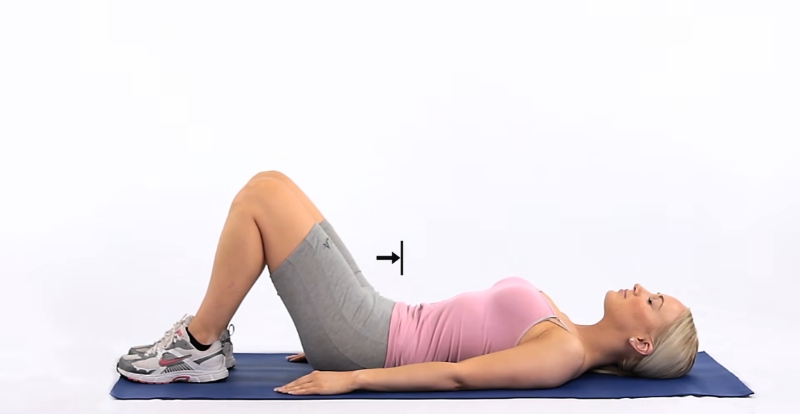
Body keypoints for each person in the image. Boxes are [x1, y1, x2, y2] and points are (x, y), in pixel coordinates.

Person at [116, 171, 699, 394]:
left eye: (652, 302)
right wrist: (330, 336)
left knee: (264, 196)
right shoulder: (565, 327)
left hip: (371, 339)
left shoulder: (561, 353)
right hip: (376, 319)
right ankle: (202, 341)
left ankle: (195, 349)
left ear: (642, 344)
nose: (640, 286)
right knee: (270, 191)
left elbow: (456, 375)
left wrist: (352, 375)